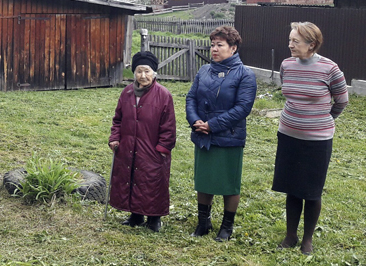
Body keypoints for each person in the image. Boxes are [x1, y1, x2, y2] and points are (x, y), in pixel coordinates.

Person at [273, 22, 348, 255]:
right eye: (289, 40)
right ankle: (291, 235)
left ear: (312, 44)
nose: (290, 45)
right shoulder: (286, 64)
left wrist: (322, 121)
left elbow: (342, 101)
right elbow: (288, 91)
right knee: (291, 187)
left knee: (312, 191)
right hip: (288, 135)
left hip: (318, 141)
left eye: (295, 41)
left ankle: (307, 239)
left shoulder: (330, 68)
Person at [186, 26, 256, 241]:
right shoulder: (203, 71)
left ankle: (226, 227)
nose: (214, 49)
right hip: (203, 134)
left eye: (220, 45)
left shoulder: (245, 74)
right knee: (204, 180)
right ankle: (203, 222)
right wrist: (195, 120)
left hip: (229, 136)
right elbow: (191, 98)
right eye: (212, 44)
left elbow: (242, 108)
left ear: (233, 48)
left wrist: (213, 125)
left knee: (228, 183)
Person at [108, 51, 176, 232]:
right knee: (131, 179)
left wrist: (162, 148)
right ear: (134, 73)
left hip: (152, 148)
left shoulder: (163, 95)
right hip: (129, 147)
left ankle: (154, 219)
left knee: (152, 181)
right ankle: (135, 215)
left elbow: (169, 126)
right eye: (139, 71)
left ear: (154, 72)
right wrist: (115, 138)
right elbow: (118, 120)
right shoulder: (127, 93)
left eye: (147, 71)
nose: (143, 76)